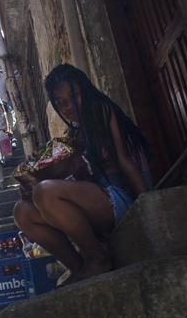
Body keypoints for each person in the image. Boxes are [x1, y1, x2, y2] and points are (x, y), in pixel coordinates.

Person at [13, 64, 152, 285]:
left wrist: (148, 202)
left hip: (116, 197)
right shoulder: (74, 135)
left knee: (45, 192)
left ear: (84, 90)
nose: (69, 106)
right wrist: (33, 176)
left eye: (74, 96)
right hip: (93, 203)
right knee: (23, 212)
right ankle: (79, 267)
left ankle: (99, 258)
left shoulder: (101, 110)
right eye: (61, 102)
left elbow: (124, 159)